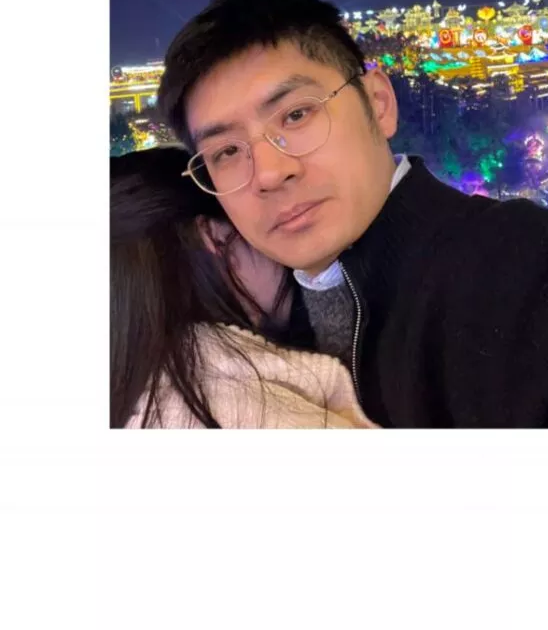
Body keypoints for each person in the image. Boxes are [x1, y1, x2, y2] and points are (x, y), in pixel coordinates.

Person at [157, 0, 548, 428]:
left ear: (379, 103)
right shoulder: (247, 342)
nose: (267, 173)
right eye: (226, 151)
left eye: (296, 115)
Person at [111, 147, 376, 429]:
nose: (282, 255)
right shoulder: (248, 408)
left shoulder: (130, 389)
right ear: (215, 236)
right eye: (258, 226)